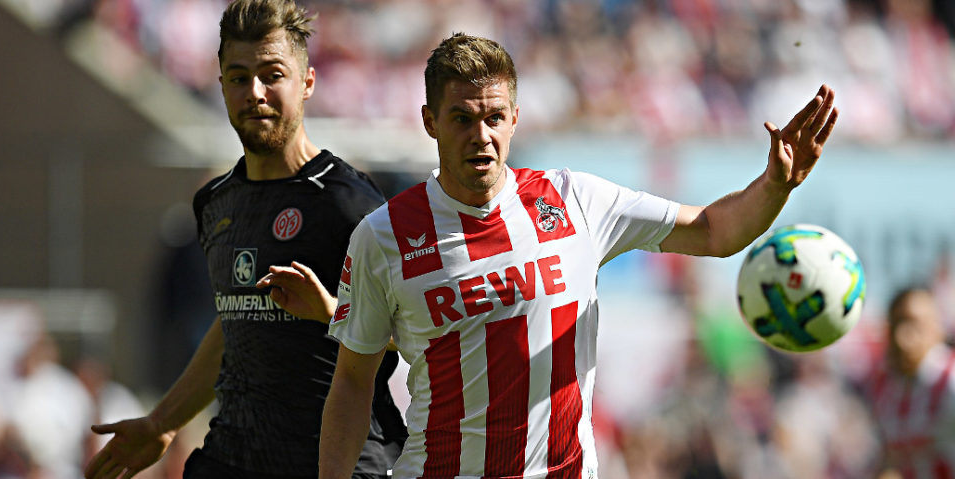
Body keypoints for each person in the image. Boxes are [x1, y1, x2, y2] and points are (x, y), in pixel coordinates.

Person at [260, 33, 838, 478]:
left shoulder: (575, 199)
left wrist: (775, 185)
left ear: (514, 120)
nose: (480, 134)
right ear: (430, 122)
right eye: (461, 119)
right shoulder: (383, 236)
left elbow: (714, 232)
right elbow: (353, 383)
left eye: (493, 118)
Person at [83, 1, 405, 478]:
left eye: (272, 75)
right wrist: (162, 422)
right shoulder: (216, 203)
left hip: (333, 464)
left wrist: (333, 313)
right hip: (232, 457)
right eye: (238, 77)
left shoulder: (350, 204)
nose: (254, 92)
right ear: (221, 87)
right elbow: (236, 323)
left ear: (308, 82)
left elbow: (418, 332)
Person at [866, 287, 955, 478]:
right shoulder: (883, 390)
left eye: (914, 324)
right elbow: (890, 458)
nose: (902, 337)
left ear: (938, 328)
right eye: (896, 324)